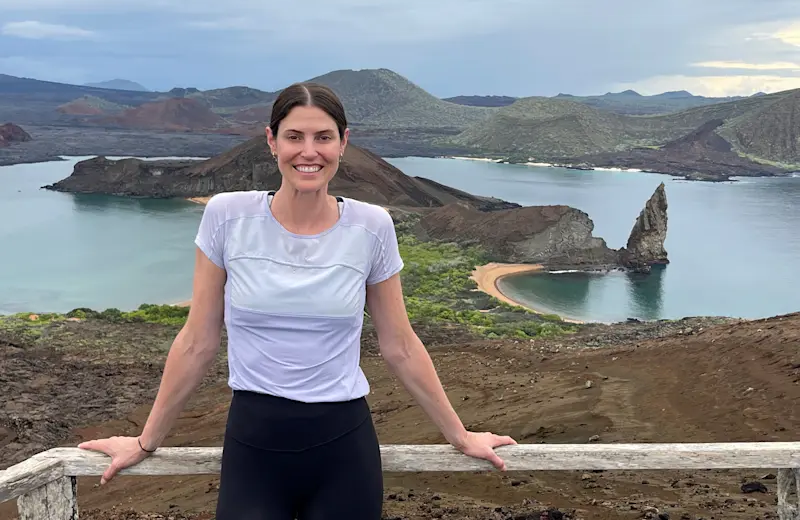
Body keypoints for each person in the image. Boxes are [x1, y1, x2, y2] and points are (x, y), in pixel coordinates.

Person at [78, 81, 517, 519]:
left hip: (344, 449)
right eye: (294, 137)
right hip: (254, 446)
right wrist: (145, 441)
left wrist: (460, 437)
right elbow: (197, 341)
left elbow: (400, 345)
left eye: (323, 137)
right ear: (272, 142)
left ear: (343, 143)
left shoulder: (372, 226)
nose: (309, 152)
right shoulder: (227, 216)